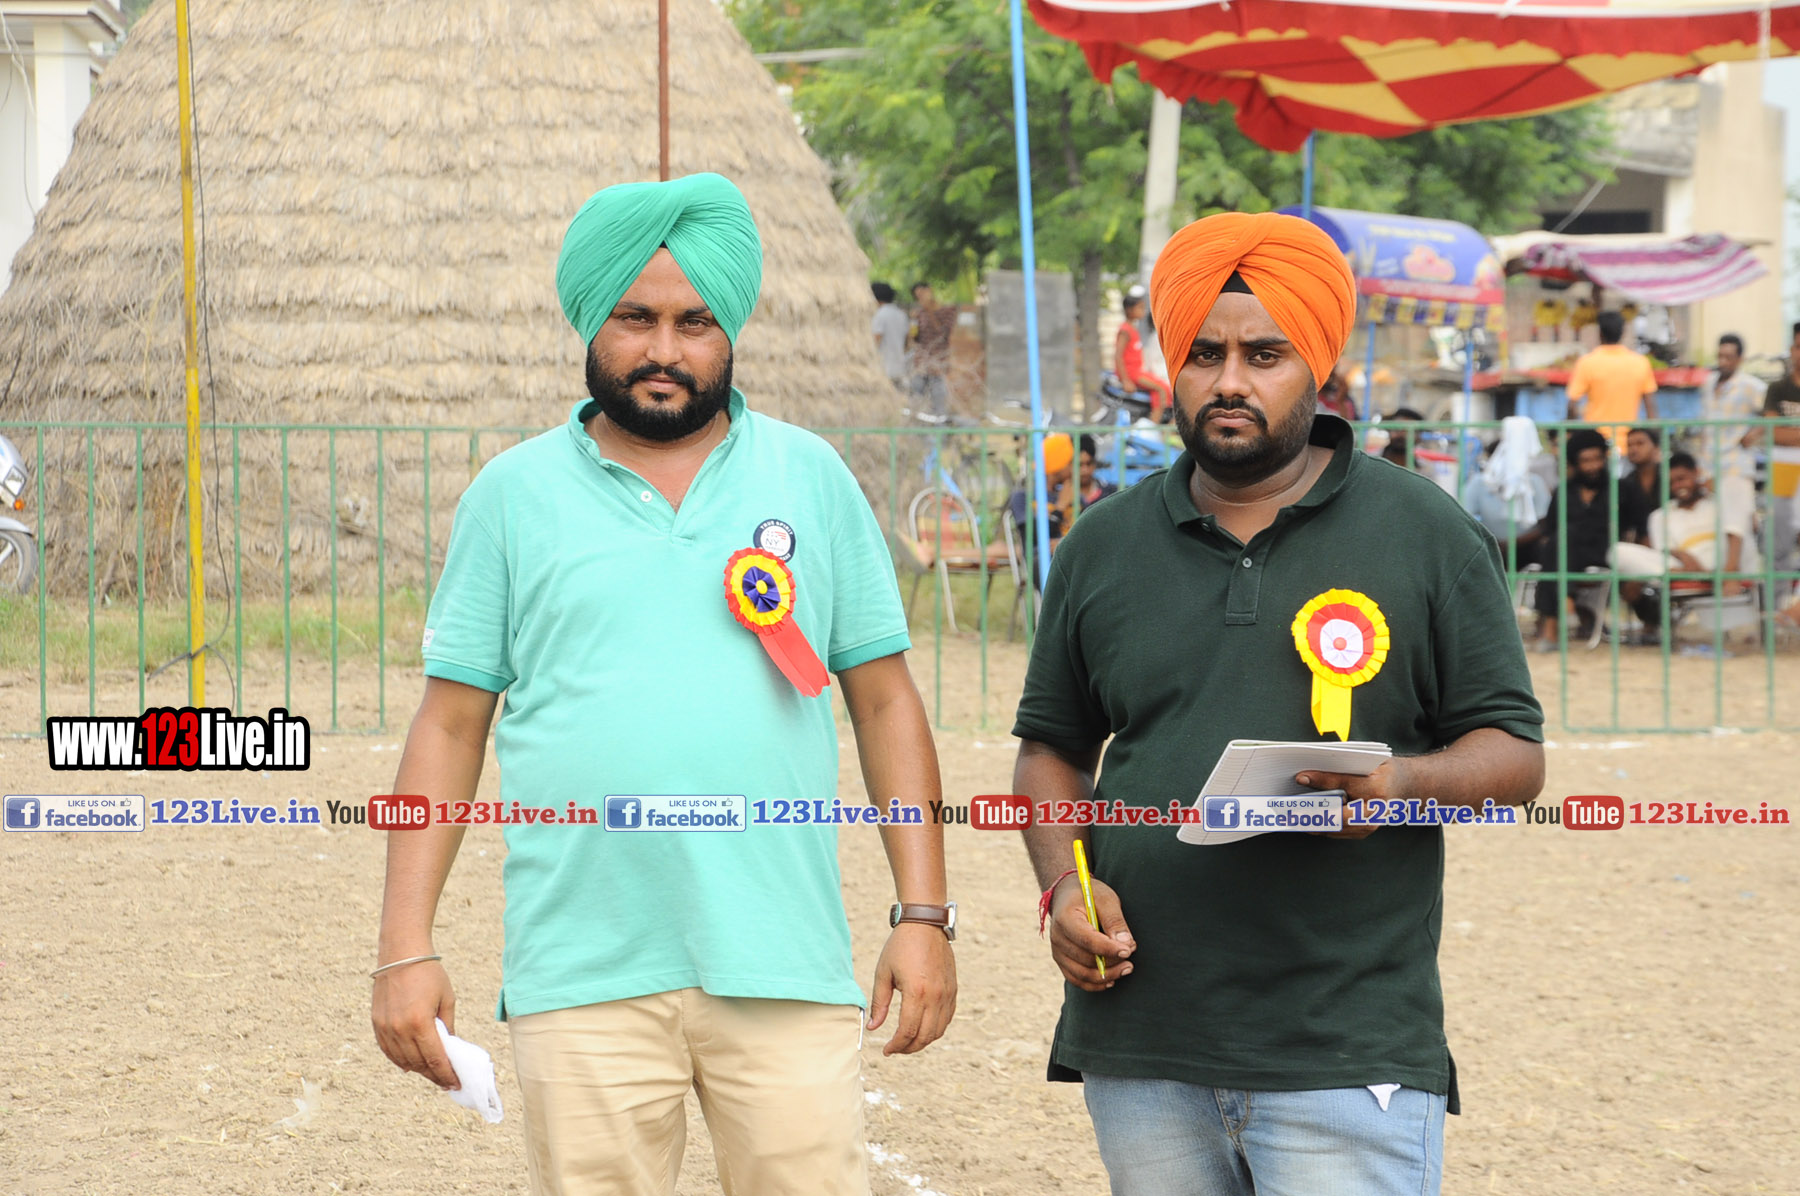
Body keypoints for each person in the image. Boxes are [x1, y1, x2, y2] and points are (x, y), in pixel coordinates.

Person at [371, 173, 957, 1196]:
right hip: (581, 971)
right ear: (592, 319)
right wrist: (402, 946)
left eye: (694, 322)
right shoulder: (511, 495)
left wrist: (925, 912)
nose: (664, 349)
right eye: (635, 318)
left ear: (728, 328)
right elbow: (451, 725)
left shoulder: (811, 477)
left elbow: (884, 701)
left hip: (782, 960)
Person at [1011, 210, 1544, 1196]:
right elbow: (1051, 749)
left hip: (1345, 1046)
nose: (1230, 381)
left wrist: (1401, 786)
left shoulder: (1424, 532)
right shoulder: (1101, 544)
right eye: (1203, 353)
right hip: (1143, 1038)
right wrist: (1064, 888)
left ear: (1318, 364)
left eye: (1265, 354)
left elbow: (1514, 755)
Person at [1611, 450, 1758, 605]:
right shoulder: (1660, 516)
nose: (1677, 486)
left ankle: (1729, 573)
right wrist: (1681, 555)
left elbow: (1745, 526)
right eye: (1671, 482)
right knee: (1617, 551)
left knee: (1735, 486)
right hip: (1686, 569)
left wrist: (1714, 487)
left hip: (1726, 561)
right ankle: (1707, 577)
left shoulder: (1717, 503)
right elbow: (1663, 550)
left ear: (1696, 473)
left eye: (1681, 479)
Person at [1517, 428, 1615, 650]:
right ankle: (1566, 601)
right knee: (1559, 542)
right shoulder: (1564, 492)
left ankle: (1552, 627)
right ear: (1575, 463)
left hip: (1602, 553)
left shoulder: (1619, 489)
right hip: (1565, 552)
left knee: (1558, 545)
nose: (1592, 466)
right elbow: (1550, 528)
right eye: (1586, 461)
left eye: (1597, 459)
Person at [1566, 310, 1658, 446]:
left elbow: (1572, 406)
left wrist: (1571, 435)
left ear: (1600, 333)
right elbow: (1650, 408)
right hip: (1629, 443)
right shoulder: (1640, 363)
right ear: (1623, 333)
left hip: (1596, 443)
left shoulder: (1587, 362)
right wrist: (1655, 441)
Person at [1762, 323, 1800, 574]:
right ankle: (1779, 599)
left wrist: (1790, 434)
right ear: (1792, 349)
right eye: (1798, 347)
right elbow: (1773, 432)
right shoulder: (1777, 389)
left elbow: (1782, 432)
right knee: (1778, 543)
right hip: (1783, 470)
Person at [1008, 432, 1076, 554]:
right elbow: (1034, 537)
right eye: (1070, 462)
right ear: (1059, 465)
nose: (1074, 468)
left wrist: (1063, 543)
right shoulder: (1023, 498)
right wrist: (1060, 508)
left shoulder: (1073, 496)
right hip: (1042, 559)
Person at [1114, 285, 1173, 422]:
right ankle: (1153, 426)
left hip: (1138, 371)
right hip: (1133, 373)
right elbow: (1118, 355)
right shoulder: (1125, 330)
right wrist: (1125, 380)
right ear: (1129, 310)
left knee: (1163, 387)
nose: (1143, 311)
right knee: (1161, 389)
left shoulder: (1132, 328)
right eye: (1140, 308)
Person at [908, 281, 957, 418]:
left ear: (930, 290)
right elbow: (915, 339)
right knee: (916, 403)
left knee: (939, 404)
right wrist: (913, 323)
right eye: (918, 296)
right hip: (921, 365)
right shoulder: (919, 313)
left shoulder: (948, 310)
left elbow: (942, 334)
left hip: (938, 366)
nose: (921, 298)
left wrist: (929, 310)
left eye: (923, 293)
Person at [1617, 426, 1662, 545]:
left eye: (1640, 443)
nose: (1634, 449)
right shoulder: (1625, 484)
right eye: (1629, 445)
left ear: (1656, 447)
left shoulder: (1669, 477)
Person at [871, 281, 910, 391]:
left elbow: (876, 340)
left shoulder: (879, 315)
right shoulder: (901, 314)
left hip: (884, 367)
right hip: (900, 366)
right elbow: (907, 342)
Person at [1077, 434, 1117, 507]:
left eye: (1089, 463)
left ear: (1094, 463)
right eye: (1079, 465)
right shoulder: (1060, 496)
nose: (1085, 470)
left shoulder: (1111, 493)